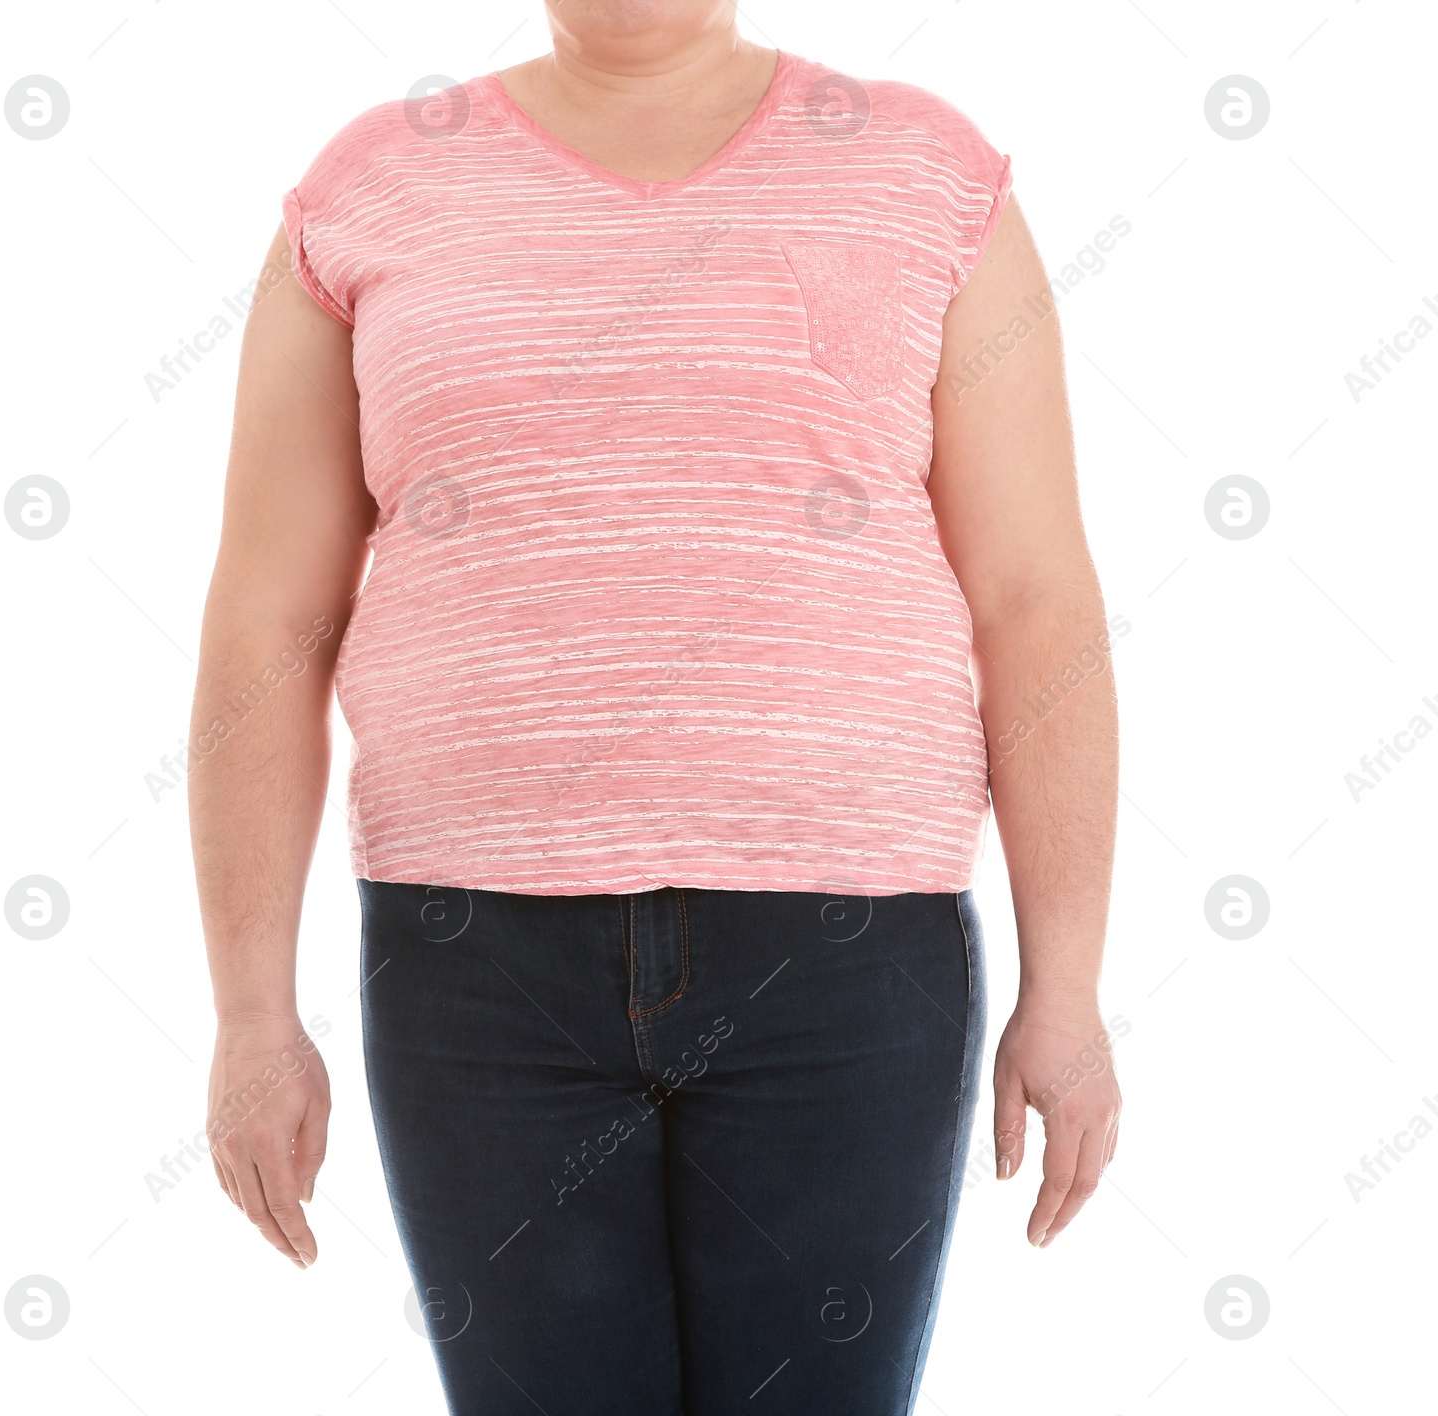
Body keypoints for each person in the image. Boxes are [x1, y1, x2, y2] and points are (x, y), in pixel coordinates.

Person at [189, 3, 1123, 1412]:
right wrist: (250, 1017)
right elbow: (267, 618)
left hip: (848, 962)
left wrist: (1071, 992)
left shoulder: (925, 172)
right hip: (475, 971)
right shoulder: (371, 188)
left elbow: (1037, 598)